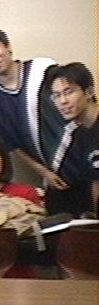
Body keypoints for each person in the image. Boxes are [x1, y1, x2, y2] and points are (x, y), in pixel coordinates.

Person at [0, 28, 65, 191]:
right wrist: (43, 172)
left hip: (84, 149)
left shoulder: (42, 69)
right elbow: (12, 145)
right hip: (52, 170)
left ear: (8, 46)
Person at [45, 62, 99, 216]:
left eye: (68, 92)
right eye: (57, 95)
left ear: (88, 92)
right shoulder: (77, 134)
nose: (62, 101)